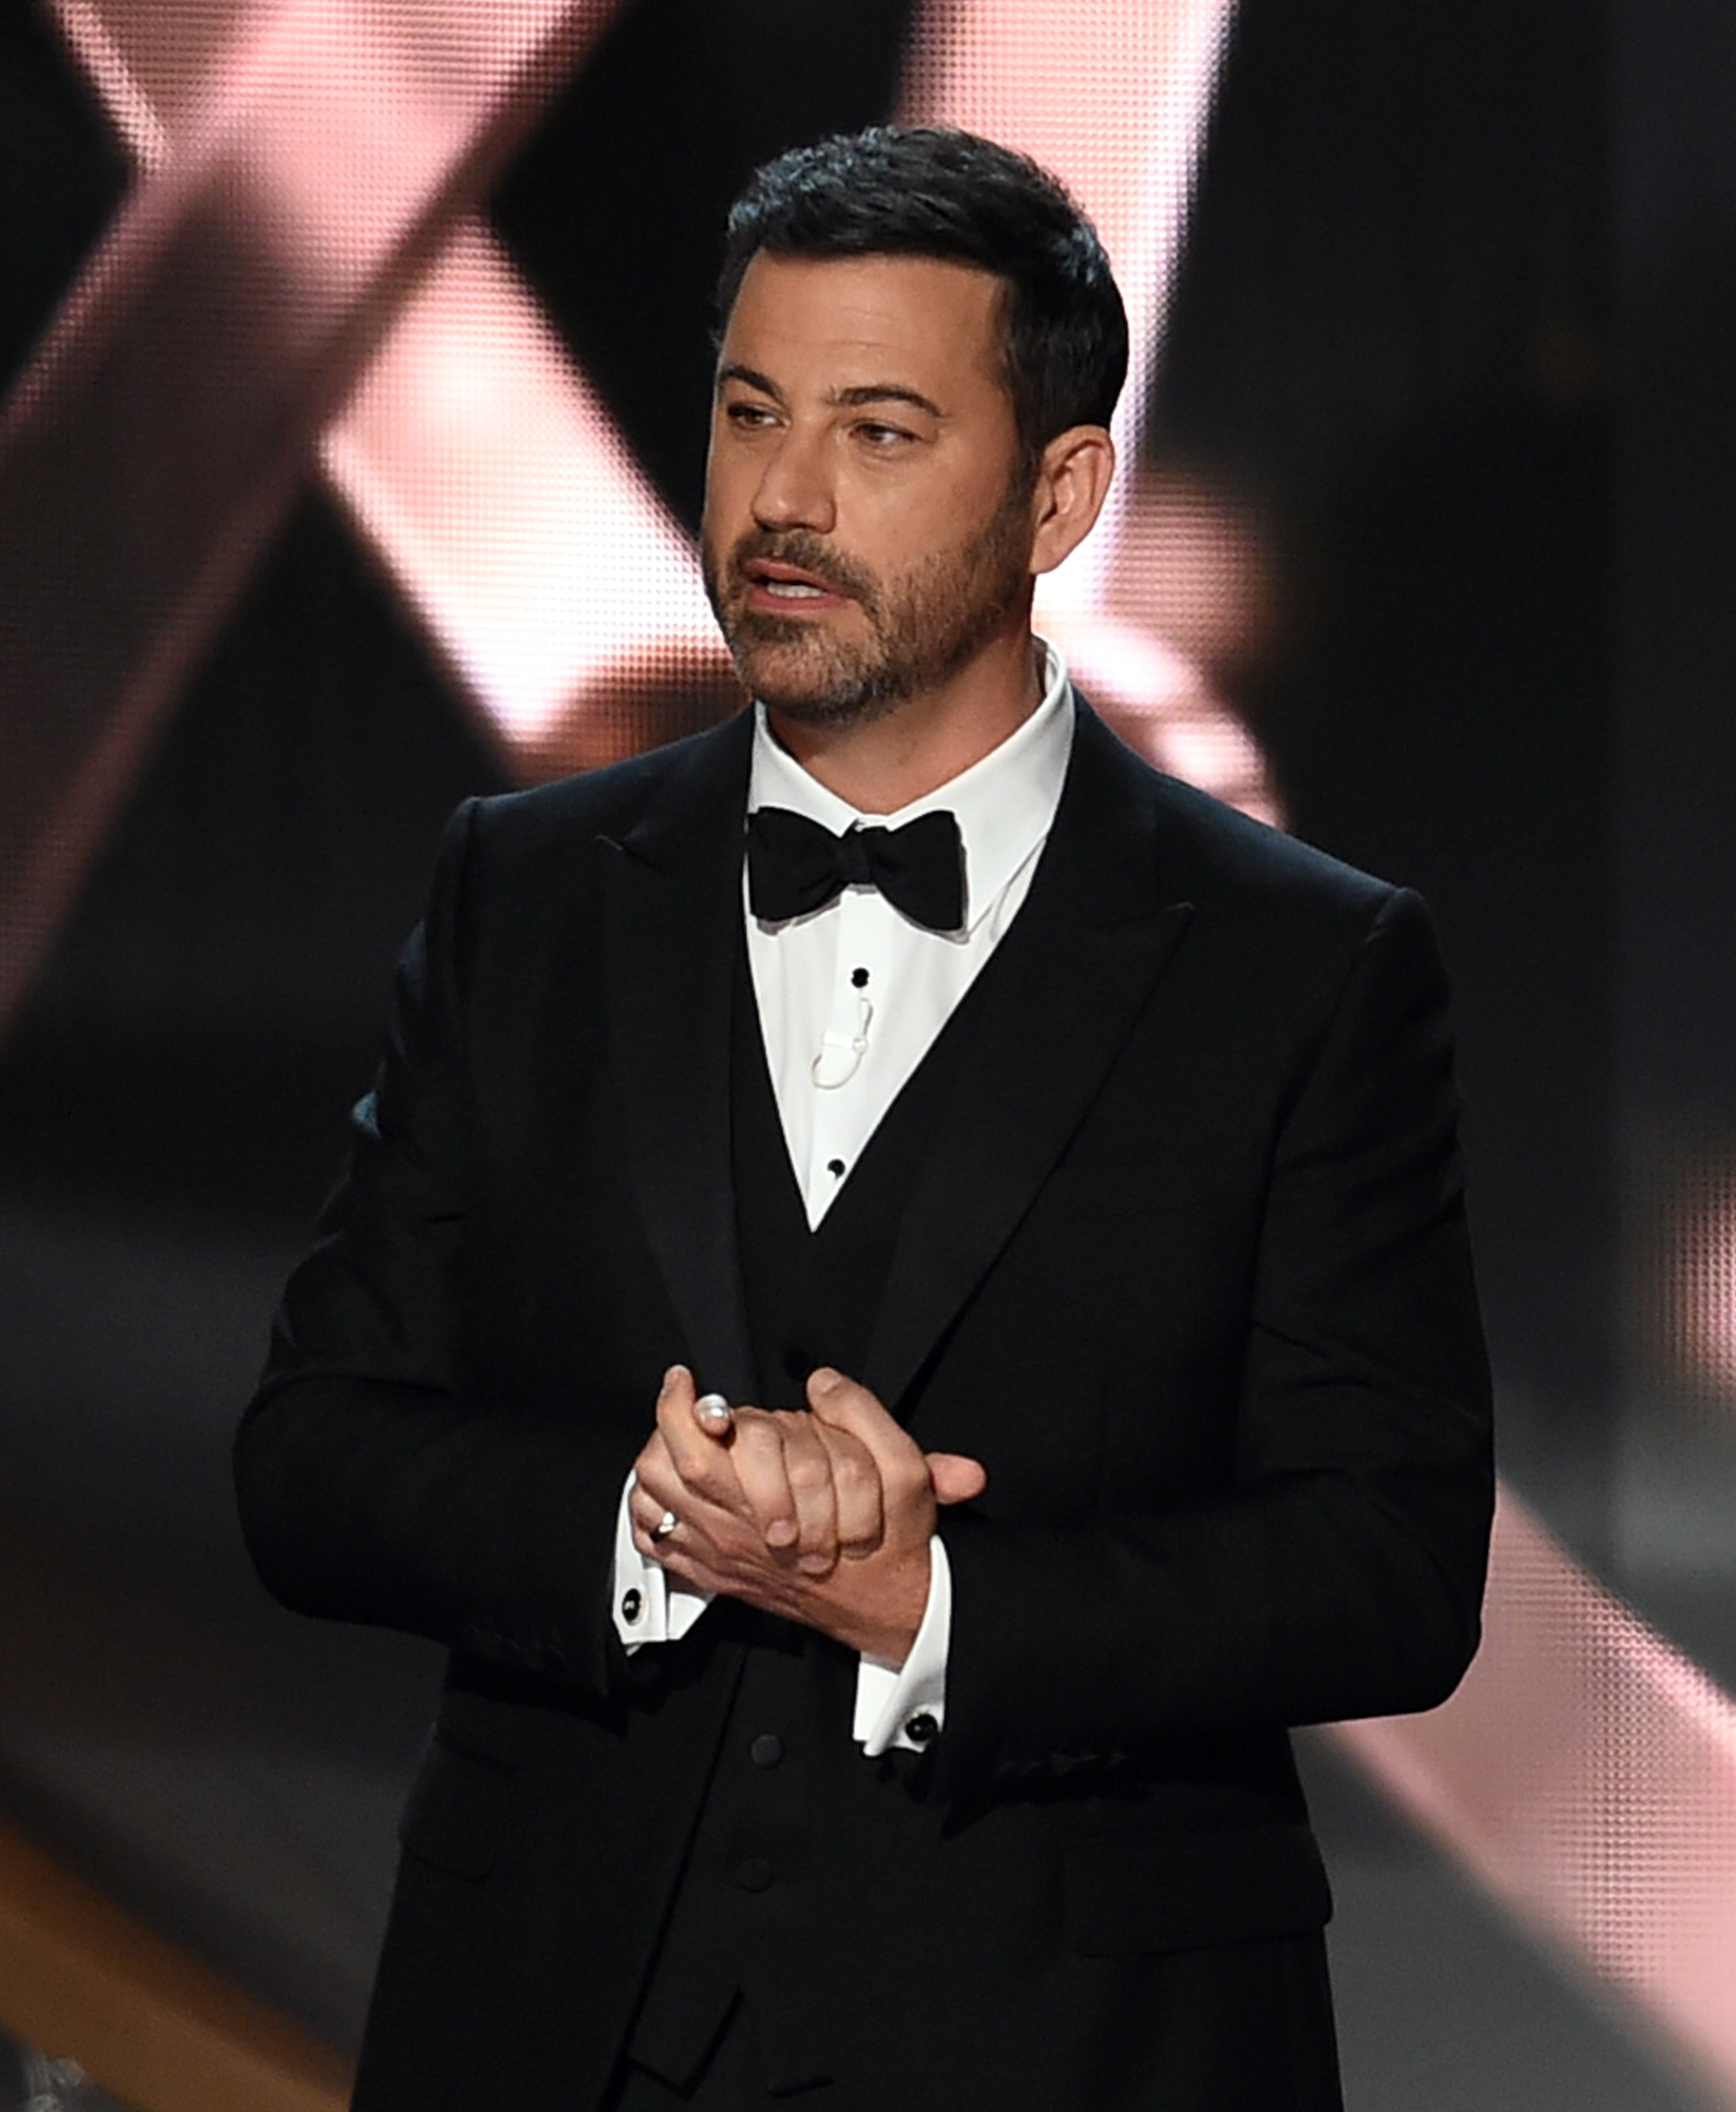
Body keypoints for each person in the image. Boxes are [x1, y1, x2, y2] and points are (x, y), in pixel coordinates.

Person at [235, 126, 1493, 2112]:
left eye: (879, 432)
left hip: (1076, 2051)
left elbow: (1386, 1563)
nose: (785, 500)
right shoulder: (527, 895)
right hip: (552, 2024)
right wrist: (648, 1526)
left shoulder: (1304, 968)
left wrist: (937, 1611)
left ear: (1059, 493)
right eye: (751, 414)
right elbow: (312, 1455)